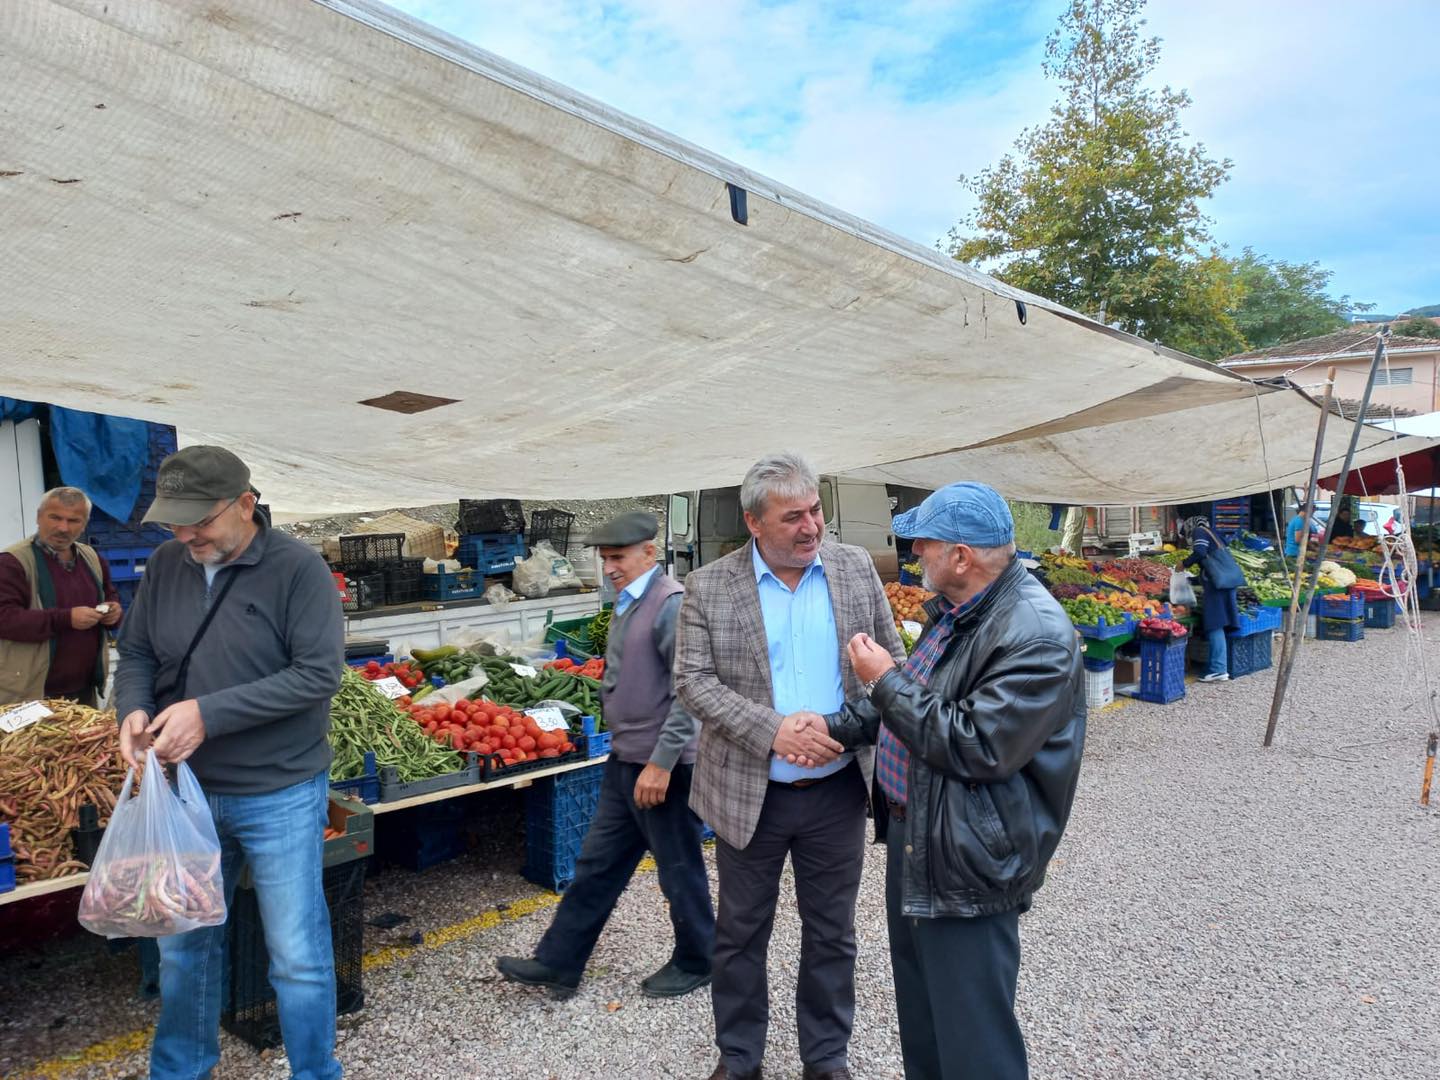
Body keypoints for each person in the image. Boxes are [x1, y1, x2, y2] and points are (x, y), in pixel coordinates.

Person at [798, 482, 1085, 1080]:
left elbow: (976, 745)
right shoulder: (962, 613)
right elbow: (917, 699)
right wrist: (832, 727)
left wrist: (882, 679)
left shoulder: (1035, 633)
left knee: (973, 1037)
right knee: (925, 1017)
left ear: (961, 556)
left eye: (923, 544)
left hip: (971, 854)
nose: (913, 556)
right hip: (922, 837)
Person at [113, 446, 344, 1080]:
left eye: (199, 520)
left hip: (280, 792)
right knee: (182, 949)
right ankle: (181, 1070)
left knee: (295, 953)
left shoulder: (300, 571)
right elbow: (134, 653)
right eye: (174, 521)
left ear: (245, 504)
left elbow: (318, 675)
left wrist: (208, 713)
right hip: (182, 792)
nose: (186, 534)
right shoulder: (166, 564)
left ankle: (315, 1072)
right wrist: (132, 710)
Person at [674, 452, 905, 1080]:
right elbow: (692, 681)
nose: (811, 528)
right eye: (793, 517)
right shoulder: (710, 585)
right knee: (741, 932)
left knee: (832, 932)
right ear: (754, 523)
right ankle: (740, 1057)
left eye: (816, 513)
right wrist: (774, 730)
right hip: (752, 792)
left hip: (836, 791)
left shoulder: (855, 568)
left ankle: (825, 1057)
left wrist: (849, 720)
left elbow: (896, 664)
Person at [497, 511, 714, 998]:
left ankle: (700, 958)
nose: (609, 567)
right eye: (605, 558)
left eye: (618, 557)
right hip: (625, 760)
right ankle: (558, 961)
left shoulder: (669, 605)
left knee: (678, 866)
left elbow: (690, 693)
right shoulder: (626, 603)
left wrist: (661, 762)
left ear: (649, 554)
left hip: (664, 766)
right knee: (597, 864)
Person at [0, 486, 122, 706]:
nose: (63, 528)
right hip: (31, 695)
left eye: (73, 520)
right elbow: (4, 619)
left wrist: (113, 612)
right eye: (55, 517)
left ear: (84, 524)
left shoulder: (91, 557)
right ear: (39, 517)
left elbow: (109, 595)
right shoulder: (12, 562)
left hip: (83, 692)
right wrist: (66, 619)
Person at [1182, 515, 1240, 683]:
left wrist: (1184, 564)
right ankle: (1220, 667)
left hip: (1217, 586)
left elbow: (1200, 552)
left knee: (1214, 624)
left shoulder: (1199, 531)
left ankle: (1218, 669)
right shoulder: (1214, 533)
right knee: (1219, 624)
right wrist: (1193, 579)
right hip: (1225, 583)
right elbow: (1212, 561)